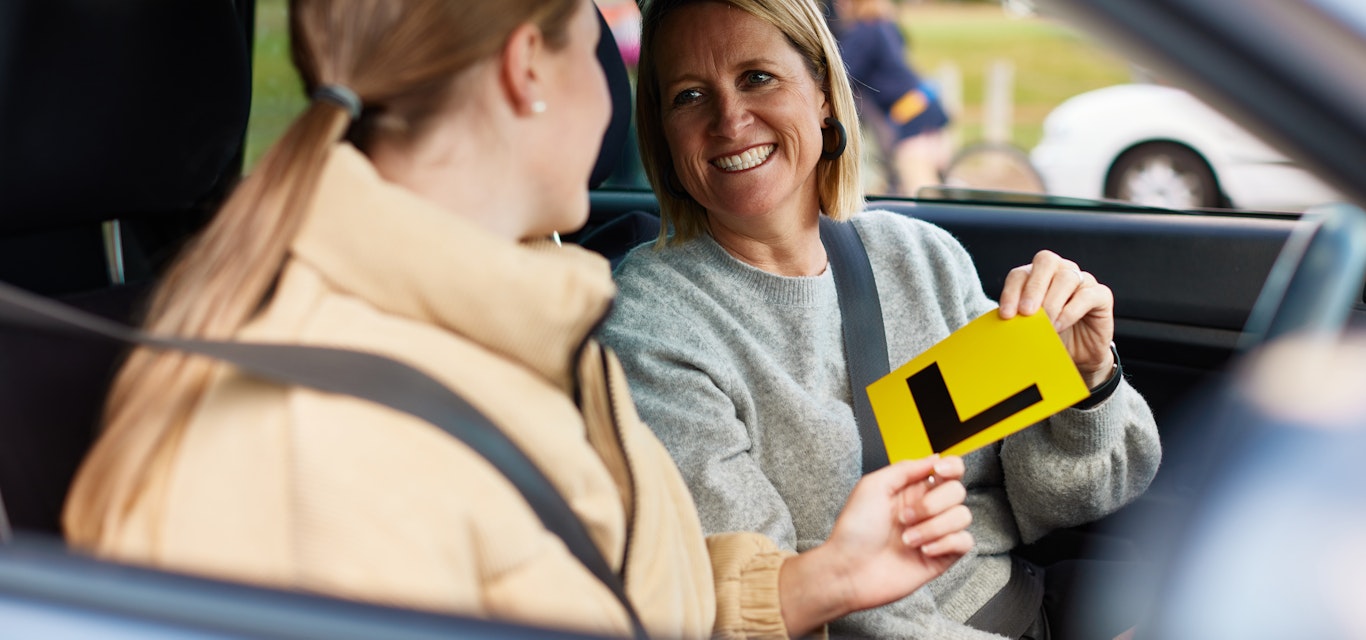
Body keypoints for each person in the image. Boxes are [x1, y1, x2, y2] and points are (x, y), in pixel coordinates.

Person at [61, 1, 975, 638]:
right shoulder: (309, 441)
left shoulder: (534, 321)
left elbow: (626, 588)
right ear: (527, 70)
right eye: (594, 49)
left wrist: (821, 581)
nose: (619, 96)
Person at [600, 0, 1162, 638]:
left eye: (758, 77)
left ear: (822, 95)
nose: (730, 118)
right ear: (663, 134)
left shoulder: (916, 258)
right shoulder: (654, 328)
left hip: (1029, 602)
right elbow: (771, 604)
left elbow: (1065, 501)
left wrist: (1084, 379)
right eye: (689, 95)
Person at [830, 0, 952, 195]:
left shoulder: (865, 32)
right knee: (930, 185)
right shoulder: (885, 25)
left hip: (911, 115)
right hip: (925, 103)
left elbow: (842, 74)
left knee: (920, 191)